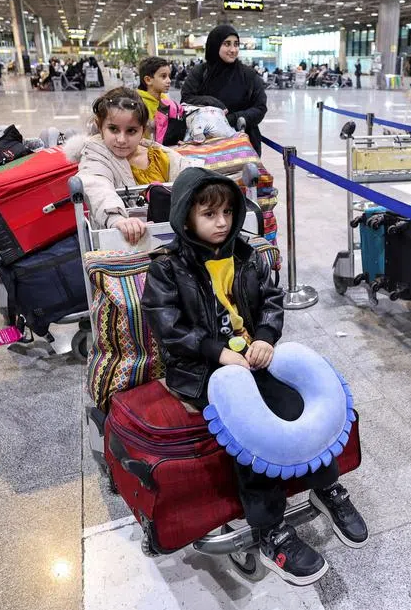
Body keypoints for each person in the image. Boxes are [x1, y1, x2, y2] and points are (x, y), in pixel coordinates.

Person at [141, 167, 369, 586]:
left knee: (296, 407)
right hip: (202, 368)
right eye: (209, 214)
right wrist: (217, 352)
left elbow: (271, 301)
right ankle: (270, 530)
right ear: (186, 218)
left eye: (228, 212)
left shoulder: (247, 255)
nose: (222, 222)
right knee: (253, 430)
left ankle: (327, 487)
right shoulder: (168, 268)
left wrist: (265, 336)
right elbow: (168, 327)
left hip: (253, 358)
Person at [73, 87, 192, 243]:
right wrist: (117, 219)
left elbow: (190, 176)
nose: (121, 139)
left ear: (143, 130)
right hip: (122, 241)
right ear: (100, 126)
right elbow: (97, 186)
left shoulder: (160, 156)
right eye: (113, 129)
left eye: (131, 131)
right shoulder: (96, 156)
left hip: (170, 237)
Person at [182, 25, 267, 154]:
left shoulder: (248, 75)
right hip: (205, 146)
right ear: (215, 45)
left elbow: (260, 107)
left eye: (236, 44)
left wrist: (231, 119)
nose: (233, 50)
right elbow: (186, 99)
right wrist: (212, 102)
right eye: (227, 44)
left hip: (242, 145)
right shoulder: (200, 72)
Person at [137, 56, 185, 145]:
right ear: (148, 80)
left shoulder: (165, 99)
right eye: (163, 76)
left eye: (169, 76)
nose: (169, 81)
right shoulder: (140, 104)